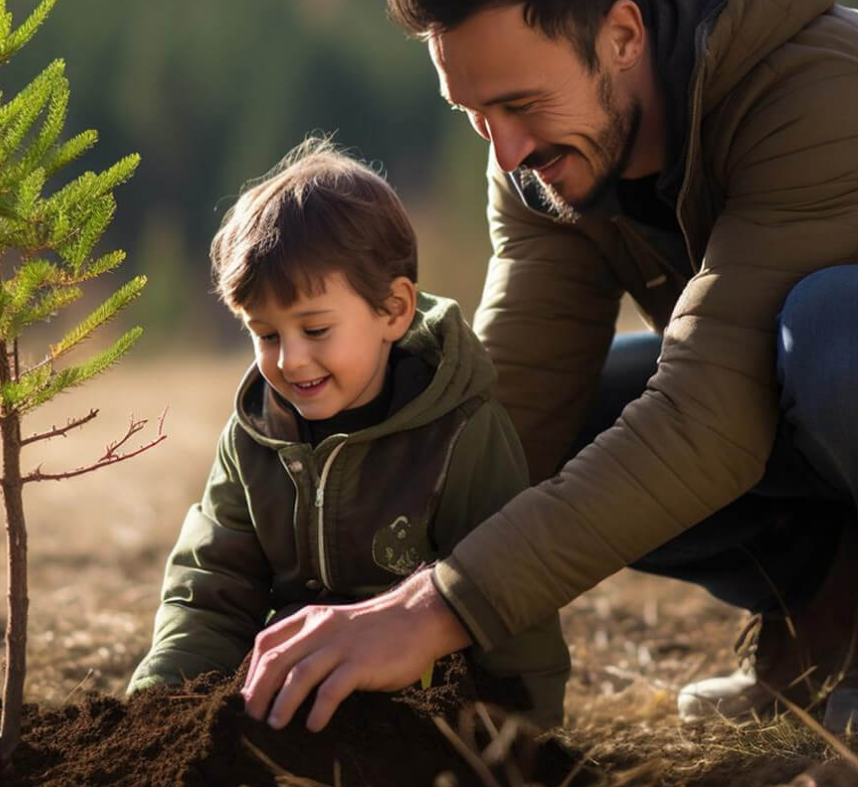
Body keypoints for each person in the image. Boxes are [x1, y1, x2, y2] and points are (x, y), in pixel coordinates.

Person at [241, 0, 858, 735]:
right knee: (582, 414)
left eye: (520, 105)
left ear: (621, 35)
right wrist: (353, 604)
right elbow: (514, 404)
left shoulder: (817, 96)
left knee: (825, 336)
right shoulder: (545, 157)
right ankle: (828, 626)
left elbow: (709, 416)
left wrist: (436, 609)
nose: (504, 152)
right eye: (475, 114)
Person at [127, 137, 571, 729]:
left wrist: (524, 734)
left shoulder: (459, 431)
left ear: (393, 310)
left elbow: (510, 592)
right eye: (266, 335)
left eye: (315, 329)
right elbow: (211, 589)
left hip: (425, 725)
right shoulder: (255, 437)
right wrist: (162, 708)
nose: (290, 360)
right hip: (297, 710)